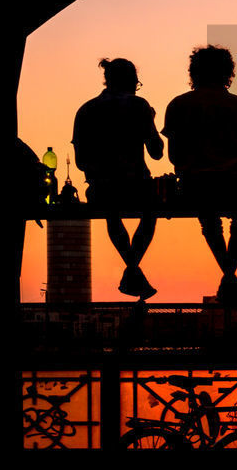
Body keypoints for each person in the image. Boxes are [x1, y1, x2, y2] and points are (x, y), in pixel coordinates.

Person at [163, 45, 237, 306]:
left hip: (194, 183)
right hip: (231, 181)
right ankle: (229, 279)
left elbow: (174, 156)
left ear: (194, 72)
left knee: (209, 222)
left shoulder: (179, 105)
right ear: (228, 72)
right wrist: (234, 172)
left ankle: (229, 278)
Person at [72, 58, 164, 300]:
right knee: (149, 215)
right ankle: (132, 268)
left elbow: (81, 161)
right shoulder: (139, 106)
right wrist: (150, 120)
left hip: (102, 189)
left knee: (112, 218)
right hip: (138, 187)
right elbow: (156, 152)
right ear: (133, 82)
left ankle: (132, 270)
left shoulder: (86, 110)